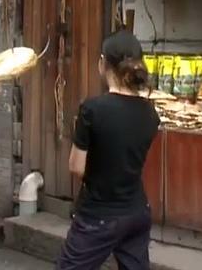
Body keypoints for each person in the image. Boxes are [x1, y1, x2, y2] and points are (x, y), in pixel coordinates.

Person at [57, 30, 161, 270]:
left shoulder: (92, 110)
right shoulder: (150, 113)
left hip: (99, 214)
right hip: (137, 211)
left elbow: (76, 167)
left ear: (103, 64)